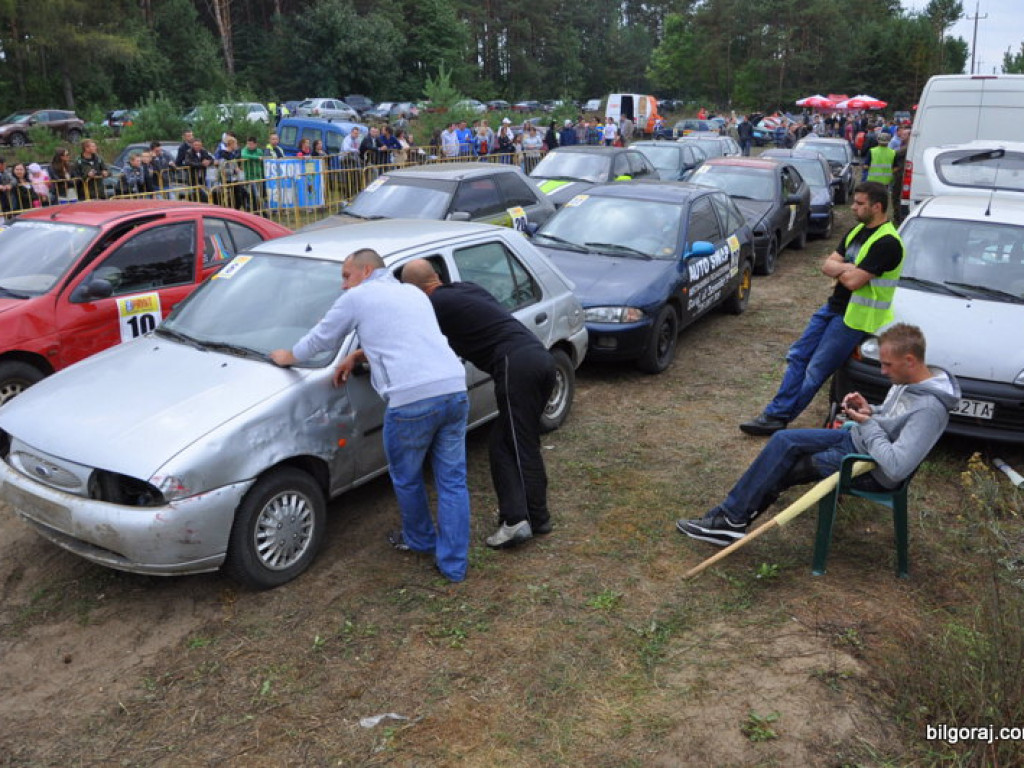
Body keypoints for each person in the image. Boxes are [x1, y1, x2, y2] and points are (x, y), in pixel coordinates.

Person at [269, 250, 471, 582]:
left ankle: (420, 540)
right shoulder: (412, 293)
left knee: (407, 478)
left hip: (410, 401)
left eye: (346, 276)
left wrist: (287, 356)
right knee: (452, 481)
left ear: (366, 271)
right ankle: (454, 565)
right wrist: (358, 356)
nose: (343, 285)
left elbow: (321, 339)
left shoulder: (358, 298)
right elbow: (405, 339)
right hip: (453, 389)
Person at [678, 324, 959, 546]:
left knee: (788, 466)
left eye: (888, 365)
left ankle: (730, 522)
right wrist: (870, 410)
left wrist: (868, 425)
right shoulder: (909, 380)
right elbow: (891, 418)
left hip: (871, 469)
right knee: (783, 440)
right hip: (857, 441)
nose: (883, 371)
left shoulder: (929, 410)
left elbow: (896, 468)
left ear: (910, 360)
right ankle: (729, 518)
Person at [401, 259, 557, 548]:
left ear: (414, 290)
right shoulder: (467, 288)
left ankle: (528, 519)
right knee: (504, 443)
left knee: (518, 445)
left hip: (516, 365)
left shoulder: (432, 305)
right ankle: (523, 517)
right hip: (540, 359)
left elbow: (405, 337)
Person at [740, 182, 905, 436]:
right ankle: (777, 412)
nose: (853, 207)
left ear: (877, 207)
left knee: (815, 369)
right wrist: (848, 268)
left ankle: (776, 417)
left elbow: (853, 282)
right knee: (797, 355)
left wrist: (844, 270)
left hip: (854, 318)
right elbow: (827, 265)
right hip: (833, 307)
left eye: (859, 203)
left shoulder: (887, 243)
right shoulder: (857, 231)